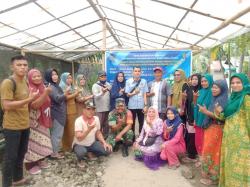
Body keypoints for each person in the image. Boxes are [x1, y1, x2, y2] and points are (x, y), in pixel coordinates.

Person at [1, 55, 39, 187]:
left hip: (24, 124)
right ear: (12, 66)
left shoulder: (25, 82)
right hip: (12, 127)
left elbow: (26, 103)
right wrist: (29, 100)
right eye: (19, 65)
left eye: (25, 65)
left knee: (21, 153)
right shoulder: (8, 82)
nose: (23, 67)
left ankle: (17, 179)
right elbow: (6, 105)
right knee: (10, 157)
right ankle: (6, 183)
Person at [218, 73, 250, 187]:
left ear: (244, 83)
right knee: (230, 166)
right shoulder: (232, 98)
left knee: (239, 169)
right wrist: (219, 112)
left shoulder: (246, 98)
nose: (235, 85)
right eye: (232, 83)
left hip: (242, 142)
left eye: (238, 82)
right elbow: (226, 117)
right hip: (229, 139)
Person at [197, 80, 228, 185]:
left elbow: (220, 117)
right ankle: (208, 173)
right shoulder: (215, 98)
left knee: (213, 152)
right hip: (211, 128)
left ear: (222, 89)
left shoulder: (223, 101)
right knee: (209, 150)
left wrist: (206, 112)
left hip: (216, 129)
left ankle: (212, 176)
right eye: (213, 87)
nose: (213, 89)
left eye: (216, 88)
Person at [24, 69, 53, 175]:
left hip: (43, 119)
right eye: (34, 76)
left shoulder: (42, 87)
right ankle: (31, 164)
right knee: (32, 143)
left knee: (42, 141)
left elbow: (47, 102)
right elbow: (34, 105)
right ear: (29, 78)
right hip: (33, 121)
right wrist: (45, 93)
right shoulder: (29, 89)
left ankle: (40, 160)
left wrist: (45, 92)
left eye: (39, 76)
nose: (37, 78)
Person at [72, 100, 112, 168]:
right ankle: (80, 160)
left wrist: (104, 142)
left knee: (108, 151)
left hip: (92, 144)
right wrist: (89, 129)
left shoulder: (96, 118)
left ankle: (89, 152)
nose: (91, 111)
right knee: (81, 153)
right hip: (80, 144)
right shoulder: (78, 121)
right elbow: (79, 138)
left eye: (93, 109)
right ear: (83, 110)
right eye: (88, 109)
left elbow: (98, 132)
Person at [44, 68, 67, 159]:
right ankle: (54, 153)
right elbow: (57, 99)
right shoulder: (51, 86)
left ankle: (54, 151)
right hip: (57, 114)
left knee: (57, 133)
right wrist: (65, 94)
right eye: (52, 74)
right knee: (57, 134)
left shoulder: (55, 86)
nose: (55, 76)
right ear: (48, 76)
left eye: (56, 74)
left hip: (59, 112)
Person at [193, 74, 213, 167]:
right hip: (198, 119)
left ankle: (204, 160)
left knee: (205, 141)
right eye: (202, 81)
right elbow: (195, 105)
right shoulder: (200, 91)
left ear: (210, 81)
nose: (204, 83)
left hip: (207, 120)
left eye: (206, 81)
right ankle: (200, 158)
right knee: (198, 140)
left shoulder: (213, 92)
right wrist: (195, 119)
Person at [182, 74, 201, 163]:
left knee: (193, 136)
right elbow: (187, 104)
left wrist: (194, 118)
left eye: (196, 79)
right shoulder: (189, 90)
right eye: (192, 79)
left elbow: (197, 105)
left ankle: (192, 155)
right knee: (190, 135)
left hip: (196, 117)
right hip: (189, 116)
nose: (194, 81)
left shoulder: (201, 91)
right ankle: (191, 153)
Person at [59, 72, 79, 152]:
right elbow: (65, 98)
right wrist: (76, 93)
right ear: (64, 78)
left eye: (71, 78)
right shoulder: (62, 86)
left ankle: (72, 145)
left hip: (73, 108)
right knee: (68, 129)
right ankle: (66, 147)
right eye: (68, 78)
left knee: (72, 128)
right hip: (66, 110)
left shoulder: (70, 86)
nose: (70, 80)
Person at [125, 67, 148, 135]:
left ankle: (140, 138)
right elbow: (127, 95)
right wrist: (134, 93)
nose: (137, 72)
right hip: (132, 106)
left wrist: (146, 105)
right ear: (132, 72)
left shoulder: (144, 81)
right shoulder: (128, 81)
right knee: (131, 123)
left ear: (140, 72)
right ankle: (132, 139)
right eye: (135, 71)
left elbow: (144, 94)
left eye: (138, 71)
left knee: (141, 123)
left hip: (141, 106)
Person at [92, 70, 111, 138]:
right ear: (99, 77)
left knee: (106, 124)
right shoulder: (95, 85)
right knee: (99, 124)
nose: (103, 78)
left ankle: (105, 137)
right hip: (99, 109)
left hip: (107, 108)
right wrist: (102, 92)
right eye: (102, 76)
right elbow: (95, 96)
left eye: (104, 76)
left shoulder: (108, 84)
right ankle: (98, 139)